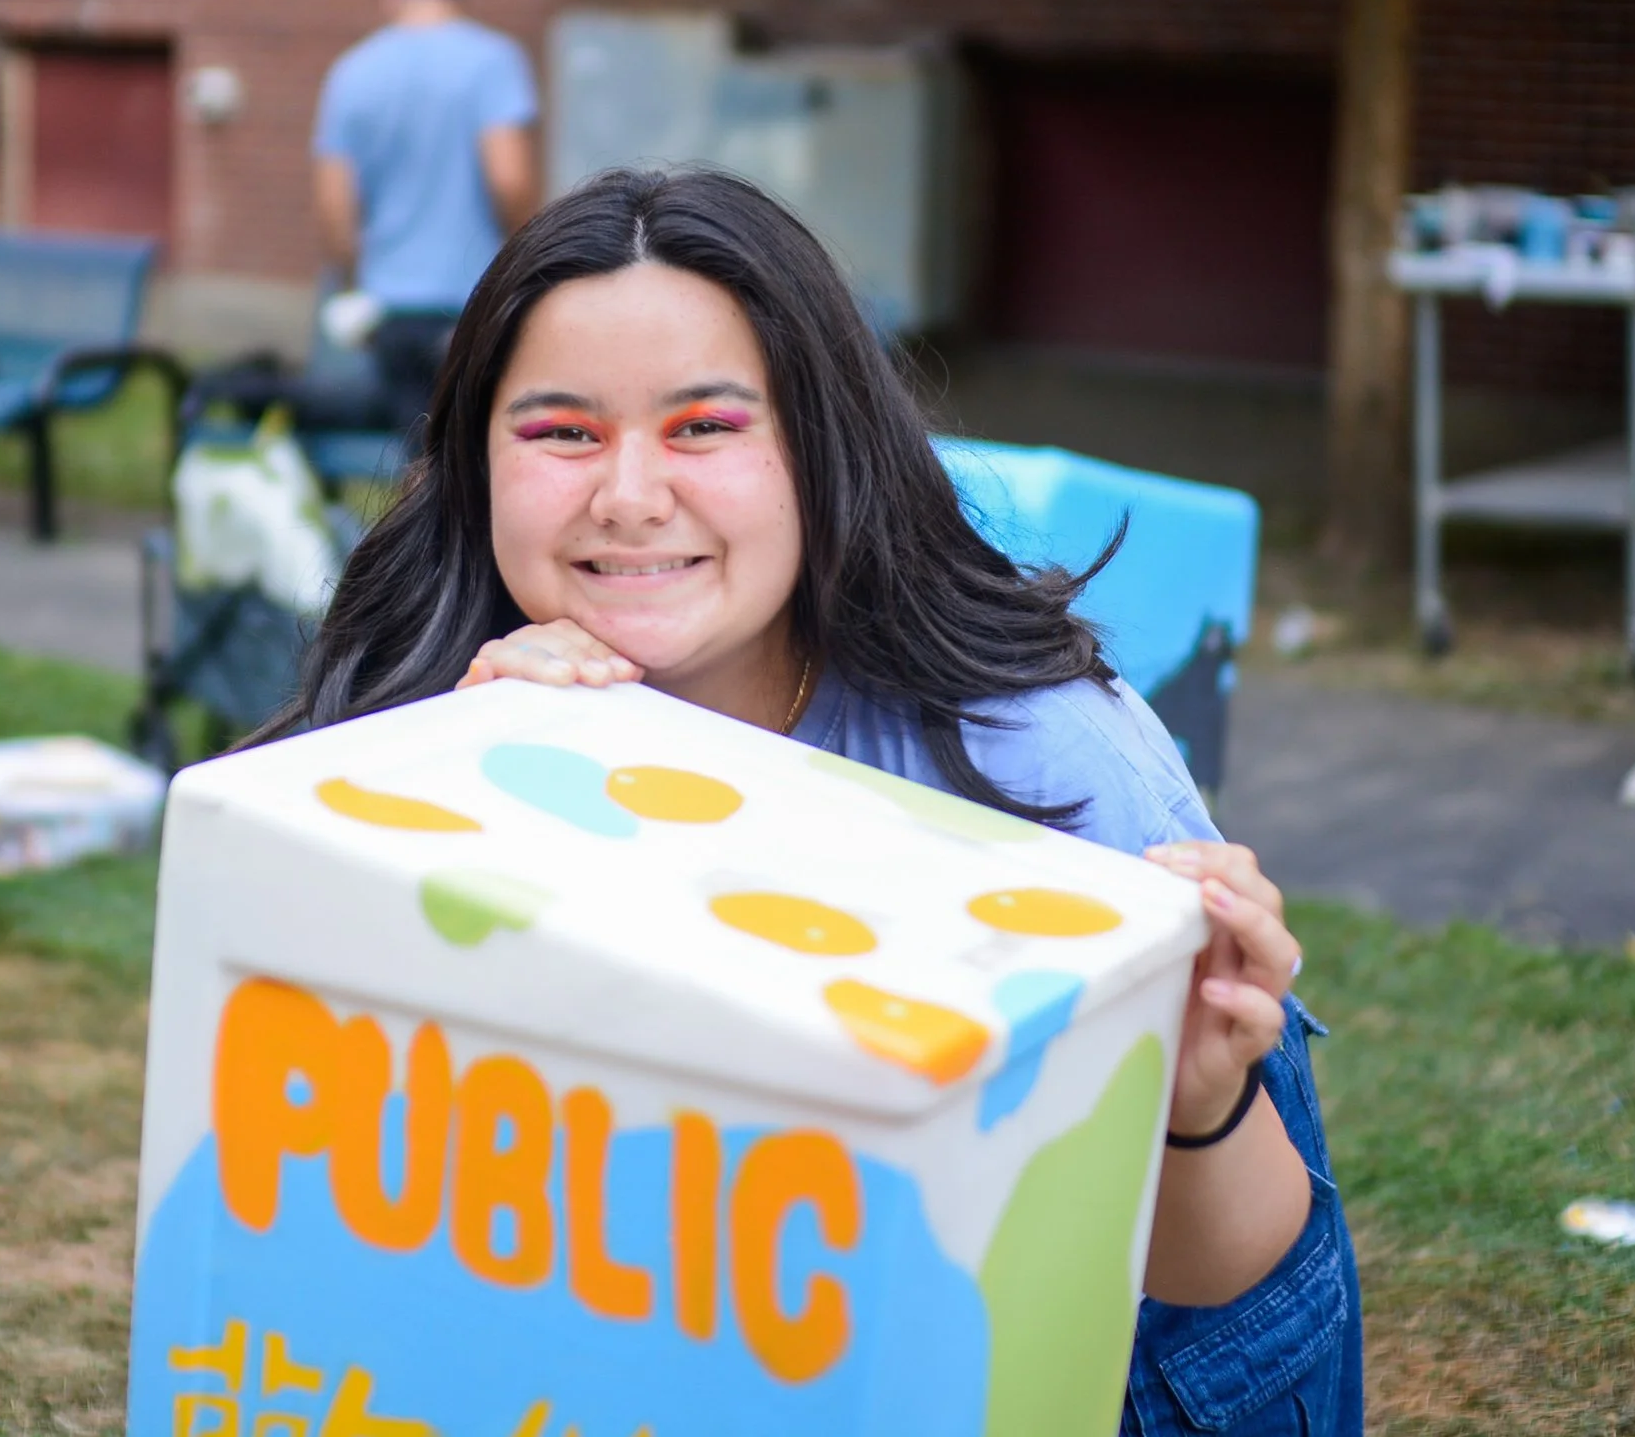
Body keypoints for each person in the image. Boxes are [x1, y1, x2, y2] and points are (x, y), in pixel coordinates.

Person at [243, 167, 1362, 1434]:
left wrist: (1201, 1096)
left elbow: (1217, 1275)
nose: (626, 495)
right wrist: (489, 788)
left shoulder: (1041, 762)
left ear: (819, 446)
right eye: (561, 432)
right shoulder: (435, 719)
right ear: (476, 458)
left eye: (705, 427)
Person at [309, 0, 540, 433]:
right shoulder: (493, 60)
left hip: (388, 308)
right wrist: (526, 260)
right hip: (472, 305)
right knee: (471, 453)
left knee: (411, 455)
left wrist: (351, 286)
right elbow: (510, 177)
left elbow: (333, 203)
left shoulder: (352, 71)